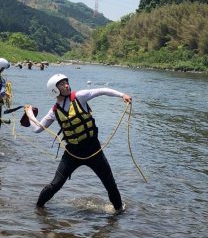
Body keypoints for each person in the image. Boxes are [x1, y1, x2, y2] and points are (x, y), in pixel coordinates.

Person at [25, 73, 132, 212]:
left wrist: (122, 95)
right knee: (55, 184)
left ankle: (119, 213)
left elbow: (101, 91)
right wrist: (29, 113)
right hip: (72, 153)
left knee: (110, 184)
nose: (67, 85)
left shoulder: (80, 96)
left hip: (94, 150)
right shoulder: (54, 111)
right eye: (62, 84)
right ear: (54, 90)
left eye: (66, 82)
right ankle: (37, 209)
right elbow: (37, 129)